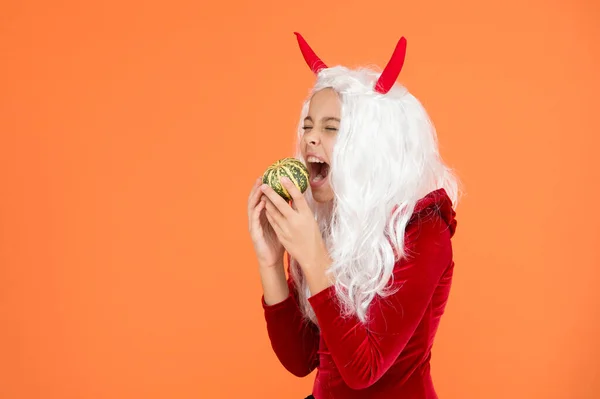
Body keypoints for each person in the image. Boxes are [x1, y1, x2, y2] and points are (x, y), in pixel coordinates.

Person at [247, 32, 460, 399]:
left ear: (373, 147)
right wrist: (271, 261)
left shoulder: (423, 230)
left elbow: (364, 370)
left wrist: (313, 255)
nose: (310, 139)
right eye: (308, 125)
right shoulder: (328, 222)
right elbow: (300, 359)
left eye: (331, 128)